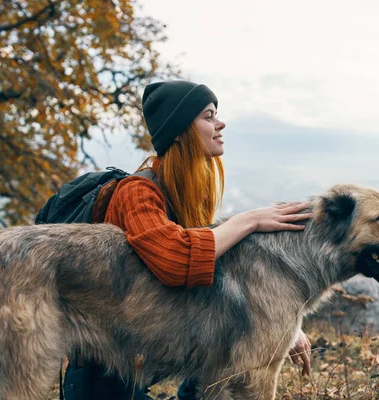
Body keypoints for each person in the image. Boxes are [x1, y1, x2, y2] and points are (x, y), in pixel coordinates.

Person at [87, 80, 313, 399]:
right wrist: (248, 220)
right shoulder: (136, 193)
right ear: (179, 131)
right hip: (108, 359)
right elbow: (177, 261)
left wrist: (284, 326)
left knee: (223, 343)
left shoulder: (190, 191)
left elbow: (224, 274)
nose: (220, 124)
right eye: (208, 116)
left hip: (158, 344)